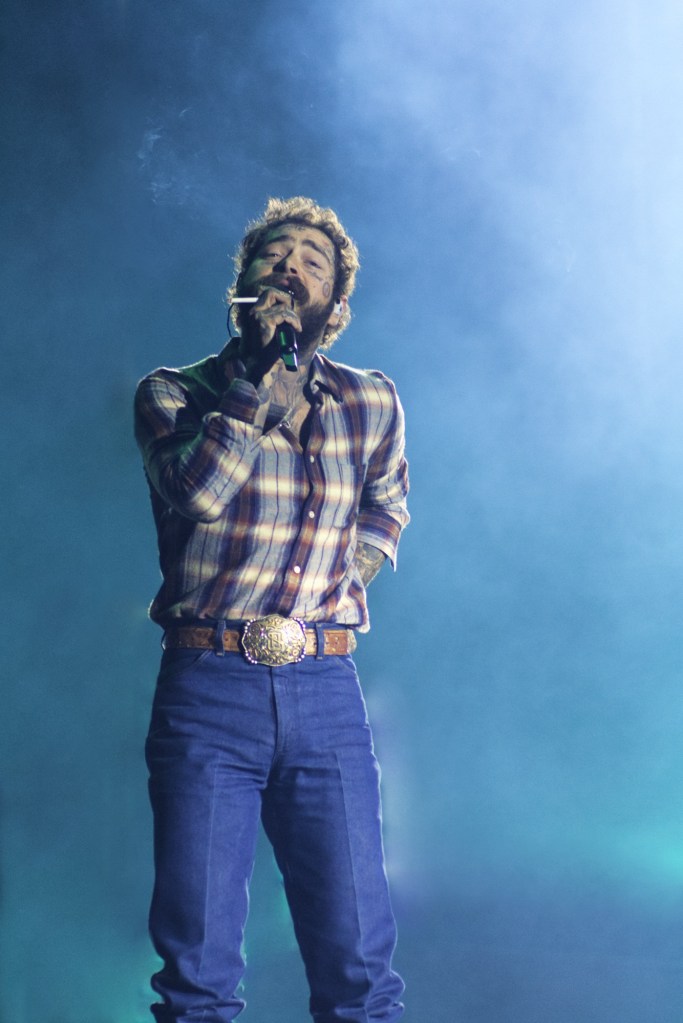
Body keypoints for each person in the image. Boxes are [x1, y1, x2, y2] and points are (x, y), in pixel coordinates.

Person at [134, 196, 410, 1023]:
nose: (290, 267)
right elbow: (199, 493)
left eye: (312, 262)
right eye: (272, 255)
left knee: (358, 964)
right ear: (243, 284)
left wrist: (337, 580)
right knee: (198, 970)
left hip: (325, 689)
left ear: (336, 303)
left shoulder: (371, 400)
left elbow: (386, 508)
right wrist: (253, 390)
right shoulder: (175, 392)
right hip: (208, 685)